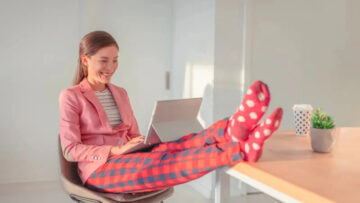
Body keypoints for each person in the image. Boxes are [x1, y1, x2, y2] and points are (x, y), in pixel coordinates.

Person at [59, 30, 283, 194]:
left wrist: (141, 143)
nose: (111, 68)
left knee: (181, 144)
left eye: (115, 61)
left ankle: (233, 129)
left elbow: (133, 133)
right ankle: (240, 149)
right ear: (85, 60)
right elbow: (70, 150)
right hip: (100, 170)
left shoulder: (120, 93)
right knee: (164, 163)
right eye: (104, 61)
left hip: (129, 156)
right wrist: (116, 150)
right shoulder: (71, 96)